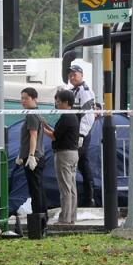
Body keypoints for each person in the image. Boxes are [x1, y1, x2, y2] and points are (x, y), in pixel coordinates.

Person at [43, 89, 79, 225]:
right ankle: (71, 217)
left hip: (64, 154)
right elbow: (58, 132)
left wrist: (42, 128)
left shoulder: (66, 117)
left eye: (58, 101)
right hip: (73, 154)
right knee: (72, 188)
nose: (56, 104)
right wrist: (46, 124)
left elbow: (54, 136)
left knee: (65, 188)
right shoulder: (72, 116)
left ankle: (64, 219)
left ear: (66, 102)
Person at [17, 87, 47, 227]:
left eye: (26, 98)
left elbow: (33, 135)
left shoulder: (32, 115)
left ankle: (38, 222)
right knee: (38, 188)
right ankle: (43, 219)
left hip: (34, 158)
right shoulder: (35, 113)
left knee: (35, 190)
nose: (23, 101)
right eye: (22, 98)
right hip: (34, 156)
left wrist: (31, 155)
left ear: (34, 99)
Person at [68, 65, 96, 207]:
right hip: (75, 132)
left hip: (80, 133)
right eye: (70, 75)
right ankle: (87, 198)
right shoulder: (73, 91)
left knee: (79, 163)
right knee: (81, 163)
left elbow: (88, 116)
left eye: (75, 74)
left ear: (82, 75)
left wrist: (81, 134)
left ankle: (88, 198)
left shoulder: (84, 91)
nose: (72, 77)